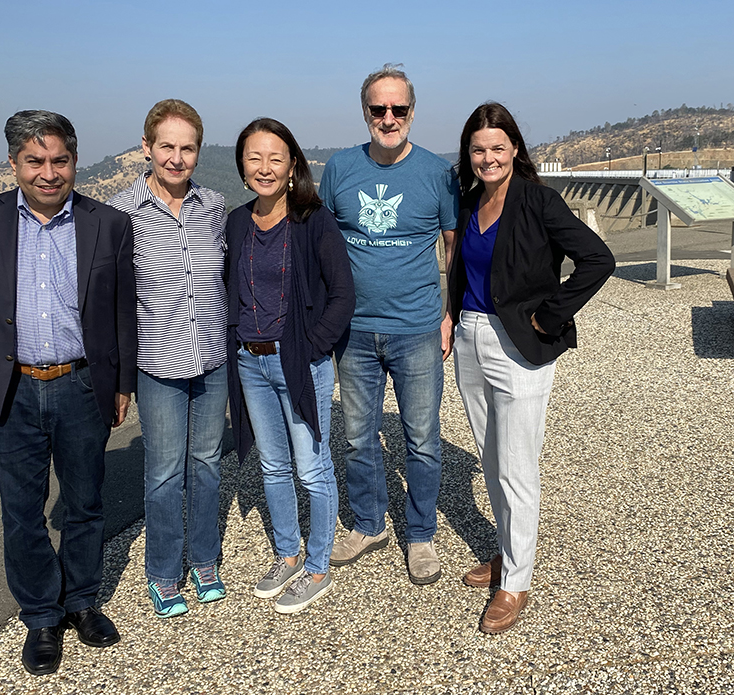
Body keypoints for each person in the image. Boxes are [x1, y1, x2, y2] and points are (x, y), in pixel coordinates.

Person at [0, 110, 136, 675]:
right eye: (35, 161)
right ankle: (42, 616)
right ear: (14, 164)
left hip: (81, 384)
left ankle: (81, 601)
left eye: (59, 160)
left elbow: (122, 311)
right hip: (11, 389)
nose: (48, 173)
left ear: (74, 162)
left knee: (85, 501)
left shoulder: (107, 224)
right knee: (22, 512)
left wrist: (121, 383)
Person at [447, 102, 615, 634]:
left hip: (517, 345)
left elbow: (598, 259)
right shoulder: (470, 202)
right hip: (471, 341)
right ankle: (506, 551)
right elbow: (461, 267)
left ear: (514, 149)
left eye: (498, 147)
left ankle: (515, 581)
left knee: (517, 467)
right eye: (479, 149)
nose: (488, 157)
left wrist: (551, 314)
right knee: (490, 454)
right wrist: (450, 314)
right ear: (468, 154)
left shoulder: (539, 201)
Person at [318, 64, 459, 584]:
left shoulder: (438, 174)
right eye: (379, 109)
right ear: (365, 113)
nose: (389, 117)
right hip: (354, 332)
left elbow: (452, 247)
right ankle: (370, 523)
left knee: (421, 438)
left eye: (398, 108)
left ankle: (420, 535)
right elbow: (324, 244)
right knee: (358, 437)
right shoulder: (339, 169)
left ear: (413, 112)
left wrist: (450, 313)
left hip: (418, 328)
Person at [226, 118, 354, 613]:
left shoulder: (313, 221)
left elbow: (342, 294)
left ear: (293, 165)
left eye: (275, 158)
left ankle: (318, 566)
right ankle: (288, 553)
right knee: (272, 465)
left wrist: (314, 346)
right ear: (241, 165)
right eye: (254, 157)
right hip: (249, 362)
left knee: (311, 466)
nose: (265, 168)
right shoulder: (237, 222)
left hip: (299, 362)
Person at [108, 99, 228, 619]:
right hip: (157, 361)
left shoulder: (214, 206)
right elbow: (112, 296)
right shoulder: (120, 213)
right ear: (146, 147)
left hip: (213, 359)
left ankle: (205, 561)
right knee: (162, 472)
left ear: (198, 151)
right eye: (167, 147)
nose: (177, 158)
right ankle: (162, 571)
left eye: (187, 148)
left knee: (205, 464)